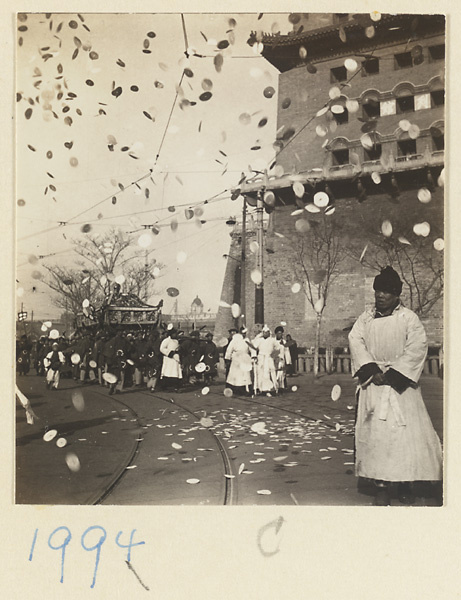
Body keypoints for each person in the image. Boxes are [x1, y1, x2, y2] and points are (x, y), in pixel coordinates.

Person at [348, 266, 443, 506]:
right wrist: (372, 369)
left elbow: (417, 346)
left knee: (403, 437)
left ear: (396, 295)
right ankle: (380, 485)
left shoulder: (408, 318)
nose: (381, 296)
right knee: (377, 437)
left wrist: (394, 374)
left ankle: (404, 482)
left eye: (387, 292)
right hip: (374, 386)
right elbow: (355, 341)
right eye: (378, 291)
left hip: (401, 388)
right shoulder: (366, 318)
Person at [224, 326, 252, 394]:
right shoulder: (235, 340)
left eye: (245, 333)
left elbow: (251, 348)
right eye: (243, 333)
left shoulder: (247, 340)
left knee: (245, 374)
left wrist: (253, 356)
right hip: (237, 358)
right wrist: (228, 358)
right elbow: (229, 349)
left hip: (245, 358)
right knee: (236, 374)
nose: (244, 335)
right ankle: (234, 388)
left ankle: (245, 388)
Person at [253, 326, 279, 394]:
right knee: (260, 373)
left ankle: (274, 388)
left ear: (269, 333)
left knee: (272, 372)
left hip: (269, 358)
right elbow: (253, 348)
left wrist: (274, 355)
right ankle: (260, 388)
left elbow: (278, 348)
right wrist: (254, 356)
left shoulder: (272, 340)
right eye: (264, 332)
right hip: (261, 358)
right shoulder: (259, 340)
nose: (265, 334)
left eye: (266, 332)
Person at [274, 326, 291, 391]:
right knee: (275, 374)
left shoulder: (284, 342)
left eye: (281, 333)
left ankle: (281, 387)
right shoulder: (273, 341)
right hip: (274, 360)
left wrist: (288, 362)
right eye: (278, 333)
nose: (279, 335)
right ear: (276, 334)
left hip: (281, 360)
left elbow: (287, 352)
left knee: (281, 374)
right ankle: (275, 386)